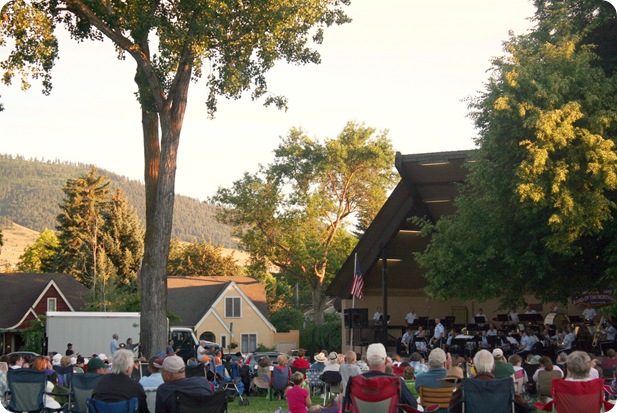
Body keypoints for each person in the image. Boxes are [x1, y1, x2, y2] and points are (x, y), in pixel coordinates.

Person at [361, 343, 418, 408]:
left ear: (367, 362)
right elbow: (413, 405)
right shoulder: (396, 382)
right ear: (386, 361)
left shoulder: (355, 382)